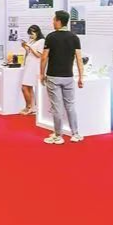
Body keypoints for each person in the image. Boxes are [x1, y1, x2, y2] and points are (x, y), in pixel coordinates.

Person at [40, 10, 84, 145]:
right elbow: (79, 59)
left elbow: (44, 57)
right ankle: (75, 134)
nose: (53, 22)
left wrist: (41, 73)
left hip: (53, 76)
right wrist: (81, 77)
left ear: (59, 21)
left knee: (57, 107)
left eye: (54, 19)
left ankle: (58, 135)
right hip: (68, 77)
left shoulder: (51, 37)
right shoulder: (74, 37)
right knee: (70, 105)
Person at [20, 25, 44, 115]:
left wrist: (30, 47)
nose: (31, 35)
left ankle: (29, 106)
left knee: (24, 87)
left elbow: (39, 55)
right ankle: (32, 107)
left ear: (37, 32)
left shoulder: (41, 41)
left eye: (32, 33)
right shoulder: (32, 40)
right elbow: (29, 52)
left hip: (34, 66)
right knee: (29, 87)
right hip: (28, 65)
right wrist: (24, 46)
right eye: (29, 34)